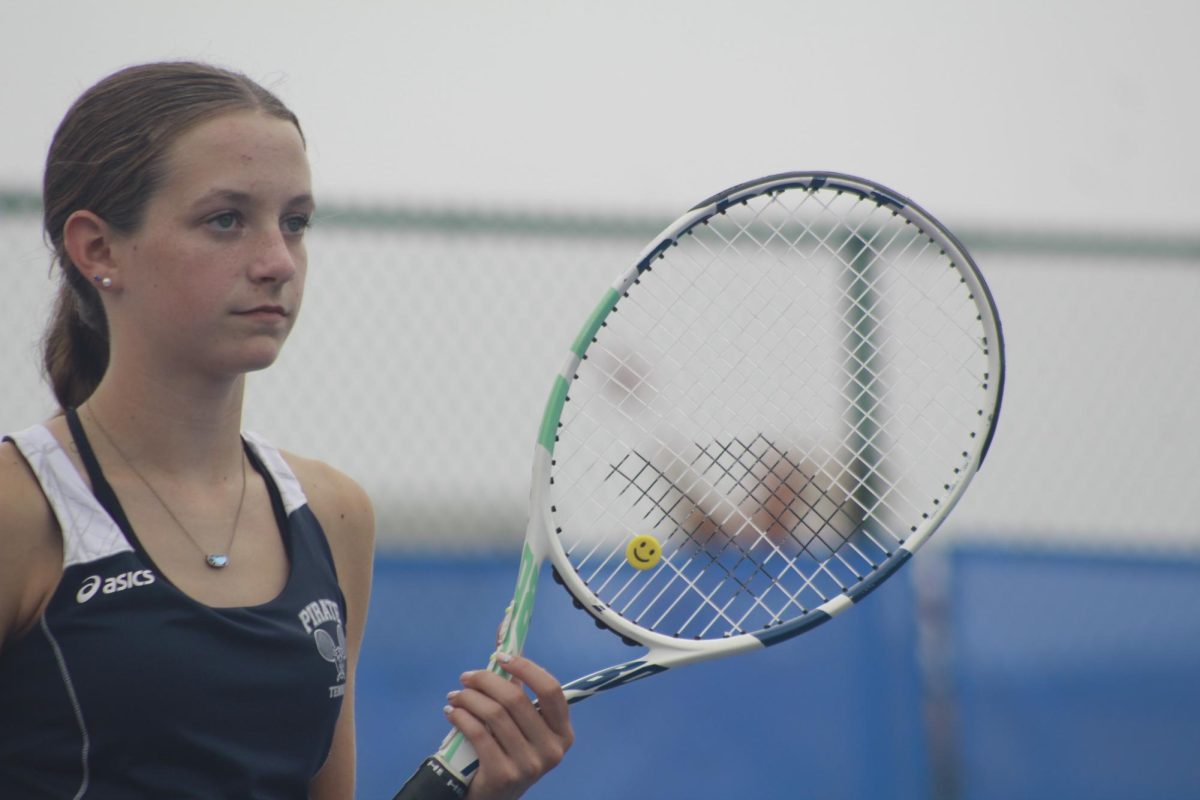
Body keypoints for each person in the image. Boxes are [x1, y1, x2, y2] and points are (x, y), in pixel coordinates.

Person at [0, 61, 573, 799]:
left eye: (295, 223)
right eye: (225, 220)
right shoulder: (20, 508)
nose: (276, 262)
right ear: (98, 249)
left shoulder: (331, 513)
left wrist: (476, 792)